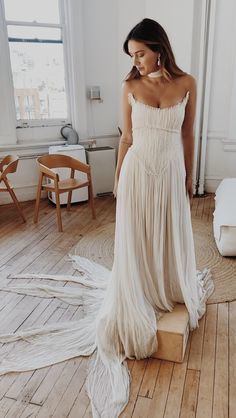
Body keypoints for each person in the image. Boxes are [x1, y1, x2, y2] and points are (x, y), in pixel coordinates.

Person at [0, 18, 214, 418]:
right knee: (135, 237)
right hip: (137, 169)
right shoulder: (130, 86)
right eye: (131, 55)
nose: (136, 61)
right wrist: (117, 179)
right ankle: (139, 290)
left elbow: (188, 133)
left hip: (169, 171)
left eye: (140, 53)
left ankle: (166, 285)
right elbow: (127, 138)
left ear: (158, 48)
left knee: (167, 232)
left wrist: (188, 175)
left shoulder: (187, 83)